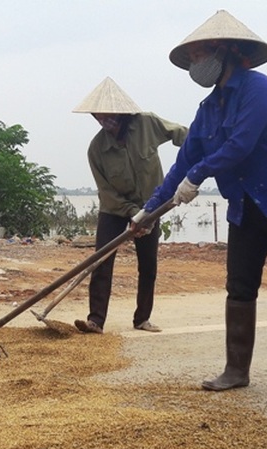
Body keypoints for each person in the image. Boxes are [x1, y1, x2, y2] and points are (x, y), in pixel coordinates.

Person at [136, 10, 267, 392]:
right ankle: (236, 370)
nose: (196, 64)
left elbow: (240, 145)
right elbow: (184, 162)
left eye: (201, 56)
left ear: (225, 51)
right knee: (240, 287)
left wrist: (199, 175)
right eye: (193, 58)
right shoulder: (207, 110)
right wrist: (148, 211)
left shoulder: (258, 88)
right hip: (245, 207)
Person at [71, 78, 187, 335]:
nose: (103, 118)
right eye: (98, 114)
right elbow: (106, 192)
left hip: (153, 205)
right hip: (114, 210)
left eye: (107, 113)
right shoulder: (97, 148)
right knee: (101, 261)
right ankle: (95, 320)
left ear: (120, 111)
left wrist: (200, 150)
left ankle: (142, 318)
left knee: (148, 265)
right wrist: (132, 213)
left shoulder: (147, 124)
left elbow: (181, 134)